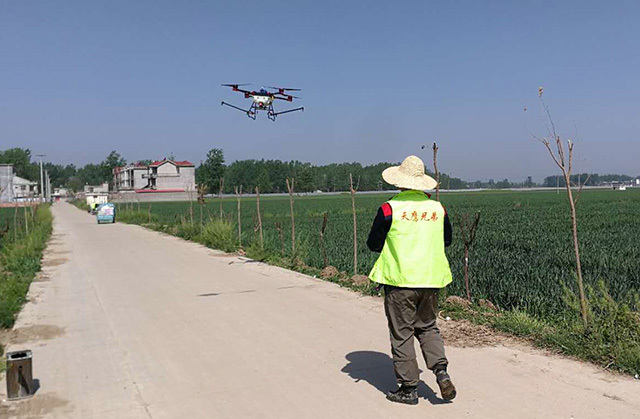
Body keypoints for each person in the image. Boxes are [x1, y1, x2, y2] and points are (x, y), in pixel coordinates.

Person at [367, 155, 456, 406]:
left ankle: (408, 389)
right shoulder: (438, 209)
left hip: (400, 281)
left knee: (402, 332)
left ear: (400, 183)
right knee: (427, 327)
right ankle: (441, 372)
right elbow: (447, 240)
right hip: (431, 281)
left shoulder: (389, 209)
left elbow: (373, 244)